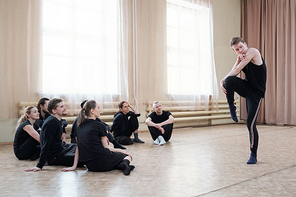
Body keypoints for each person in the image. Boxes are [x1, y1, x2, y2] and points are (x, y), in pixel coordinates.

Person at [220, 37, 266, 164]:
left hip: (256, 94)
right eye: (237, 50)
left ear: (245, 44)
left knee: (250, 124)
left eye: (241, 47)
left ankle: (253, 154)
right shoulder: (240, 57)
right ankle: (231, 106)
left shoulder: (253, 52)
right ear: (235, 51)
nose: (240, 50)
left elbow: (236, 70)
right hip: (247, 88)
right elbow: (232, 72)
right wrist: (223, 81)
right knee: (229, 81)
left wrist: (221, 80)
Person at [61, 100, 134, 175]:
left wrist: (73, 166)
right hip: (104, 162)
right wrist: (122, 151)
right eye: (98, 108)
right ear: (92, 111)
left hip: (90, 166)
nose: (100, 110)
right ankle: (124, 164)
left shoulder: (79, 126)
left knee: (113, 157)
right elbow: (107, 148)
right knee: (128, 156)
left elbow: (78, 147)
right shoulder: (100, 125)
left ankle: (120, 165)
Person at [24, 98, 81, 172]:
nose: (65, 108)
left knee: (80, 148)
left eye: (64, 106)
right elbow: (46, 144)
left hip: (61, 148)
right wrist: (39, 165)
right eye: (61, 107)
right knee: (83, 157)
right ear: (54, 111)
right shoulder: (51, 123)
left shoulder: (56, 120)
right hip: (54, 157)